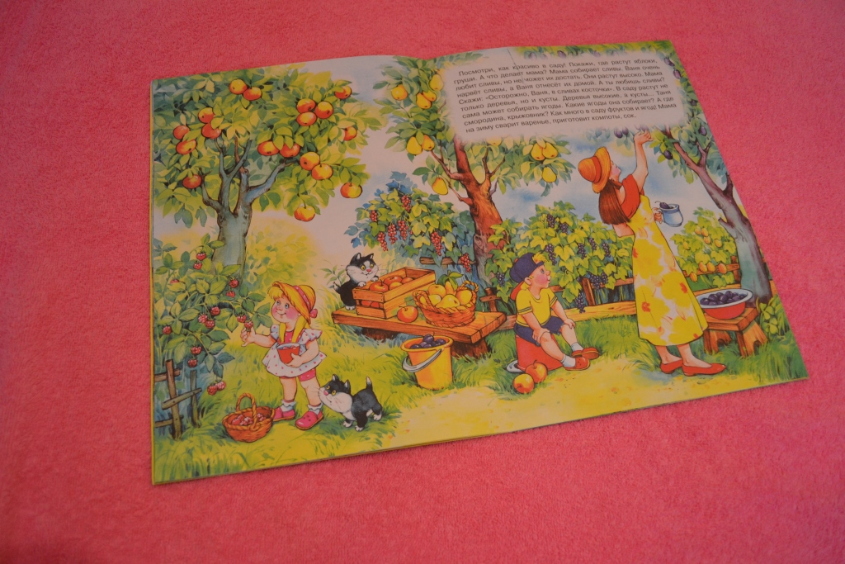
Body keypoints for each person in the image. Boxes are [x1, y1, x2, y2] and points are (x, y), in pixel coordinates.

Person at [578, 131, 725, 377]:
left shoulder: (608, 200)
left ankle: (666, 358)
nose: (615, 164)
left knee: (653, 303)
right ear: (607, 174)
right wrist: (638, 144)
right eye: (611, 164)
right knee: (673, 299)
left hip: (641, 253)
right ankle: (689, 360)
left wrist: (644, 222)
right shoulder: (628, 185)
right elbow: (643, 170)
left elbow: (622, 232)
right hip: (656, 252)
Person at [241, 282, 327, 429]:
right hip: (285, 362)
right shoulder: (279, 329)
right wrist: (254, 338)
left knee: (308, 383)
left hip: (303, 362)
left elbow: (313, 350)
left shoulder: (305, 332)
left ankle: (315, 411)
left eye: (287, 305)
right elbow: (269, 341)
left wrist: (302, 359)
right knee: (286, 382)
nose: (280, 308)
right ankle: (287, 409)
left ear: (300, 311)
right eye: (278, 303)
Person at [510, 253, 599, 371]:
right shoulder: (523, 295)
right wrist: (538, 329)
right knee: (545, 337)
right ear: (528, 280)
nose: (548, 272)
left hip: (545, 321)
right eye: (542, 271)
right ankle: (566, 361)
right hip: (526, 326)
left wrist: (565, 319)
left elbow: (555, 305)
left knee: (566, 326)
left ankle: (577, 349)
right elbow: (527, 315)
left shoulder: (545, 291)